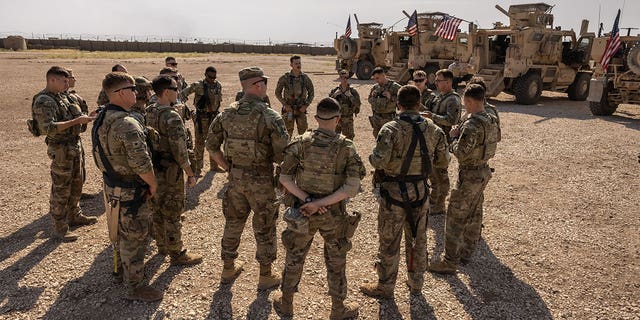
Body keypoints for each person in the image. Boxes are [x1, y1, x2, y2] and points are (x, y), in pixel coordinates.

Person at [272, 97, 366, 319]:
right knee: (336, 260)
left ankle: (286, 305)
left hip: (302, 212)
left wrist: (307, 201)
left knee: (294, 256)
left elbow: (284, 178)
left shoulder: (300, 143)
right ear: (338, 119)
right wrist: (320, 204)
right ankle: (337, 310)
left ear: (315, 118)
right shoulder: (347, 147)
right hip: (332, 214)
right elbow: (351, 188)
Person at [360, 85, 449, 298]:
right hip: (420, 192)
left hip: (394, 194)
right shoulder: (434, 129)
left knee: (389, 241)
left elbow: (378, 161)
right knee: (418, 239)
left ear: (397, 104)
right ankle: (416, 282)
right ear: (419, 104)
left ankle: (385, 286)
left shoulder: (390, 129)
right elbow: (444, 160)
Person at [206, 66, 289, 289]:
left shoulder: (226, 114)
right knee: (264, 226)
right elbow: (284, 155)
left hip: (235, 179)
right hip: (261, 180)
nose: (265, 87)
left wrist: (228, 167)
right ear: (257, 85)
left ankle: (228, 268)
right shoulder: (270, 116)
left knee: (233, 222)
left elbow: (211, 146)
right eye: (264, 83)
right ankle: (265, 275)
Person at [91, 72, 163, 301]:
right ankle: (135, 286)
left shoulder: (103, 116)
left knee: (122, 234)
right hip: (131, 189)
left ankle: (123, 271)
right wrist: (153, 185)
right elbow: (142, 163)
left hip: (114, 185)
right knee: (136, 237)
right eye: (132, 89)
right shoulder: (127, 124)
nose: (136, 93)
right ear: (121, 93)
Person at [428, 84, 499, 274]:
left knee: (454, 217)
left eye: (465, 102)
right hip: (483, 171)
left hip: (469, 175)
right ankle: (467, 253)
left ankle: (449, 262)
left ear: (468, 101)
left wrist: (453, 138)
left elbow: (460, 152)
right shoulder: (491, 118)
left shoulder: (472, 124)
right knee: (475, 213)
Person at [31, 66, 96, 242]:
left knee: (77, 183)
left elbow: (72, 121)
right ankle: (59, 228)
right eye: (64, 81)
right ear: (52, 80)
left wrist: (87, 118)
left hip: (73, 145)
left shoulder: (63, 97)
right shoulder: (44, 100)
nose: (68, 83)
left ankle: (74, 215)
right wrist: (76, 121)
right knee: (61, 189)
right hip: (60, 149)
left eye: (68, 81)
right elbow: (48, 128)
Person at [146, 75, 202, 266]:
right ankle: (176, 253)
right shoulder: (171, 117)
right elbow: (180, 152)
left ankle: (162, 245)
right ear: (167, 92)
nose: (179, 93)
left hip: (154, 169)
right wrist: (191, 174)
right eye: (176, 90)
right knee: (173, 212)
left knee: (157, 209)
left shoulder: (149, 111)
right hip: (171, 171)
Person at [421, 69, 461, 216]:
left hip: (443, 141)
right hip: (434, 140)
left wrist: (432, 116)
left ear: (448, 82)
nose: (436, 83)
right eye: (436, 80)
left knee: (441, 174)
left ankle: (440, 204)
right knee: (433, 172)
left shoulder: (453, 100)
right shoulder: (440, 97)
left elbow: (452, 120)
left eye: (439, 81)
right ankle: (434, 200)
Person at [181, 66, 223, 176]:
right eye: (210, 77)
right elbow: (183, 94)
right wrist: (184, 109)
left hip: (214, 117)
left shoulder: (218, 85)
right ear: (205, 75)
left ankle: (214, 166)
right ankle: (197, 169)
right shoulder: (198, 85)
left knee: (213, 142)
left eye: (214, 77)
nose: (212, 79)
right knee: (199, 143)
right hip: (202, 118)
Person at [275, 55, 314, 136]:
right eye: (296, 63)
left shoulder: (305, 78)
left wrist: (306, 105)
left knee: (303, 134)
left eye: (299, 63)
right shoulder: (285, 78)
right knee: (286, 134)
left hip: (301, 109)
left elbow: (311, 93)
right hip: (289, 109)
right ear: (291, 65)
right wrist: (285, 105)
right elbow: (277, 93)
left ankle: (301, 149)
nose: (298, 65)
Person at [368, 67, 401, 138]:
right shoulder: (375, 87)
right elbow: (369, 100)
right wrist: (373, 96)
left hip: (389, 118)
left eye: (377, 78)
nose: (376, 81)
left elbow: (404, 98)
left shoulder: (394, 86)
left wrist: (391, 97)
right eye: (374, 79)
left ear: (383, 75)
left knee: (389, 140)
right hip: (376, 119)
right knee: (378, 139)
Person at [329, 69, 361, 140]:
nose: (344, 79)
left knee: (348, 140)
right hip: (336, 119)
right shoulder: (335, 91)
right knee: (334, 140)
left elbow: (358, 104)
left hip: (347, 119)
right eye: (342, 77)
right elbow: (328, 104)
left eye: (346, 77)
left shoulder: (353, 92)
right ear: (339, 78)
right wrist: (334, 95)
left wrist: (350, 96)